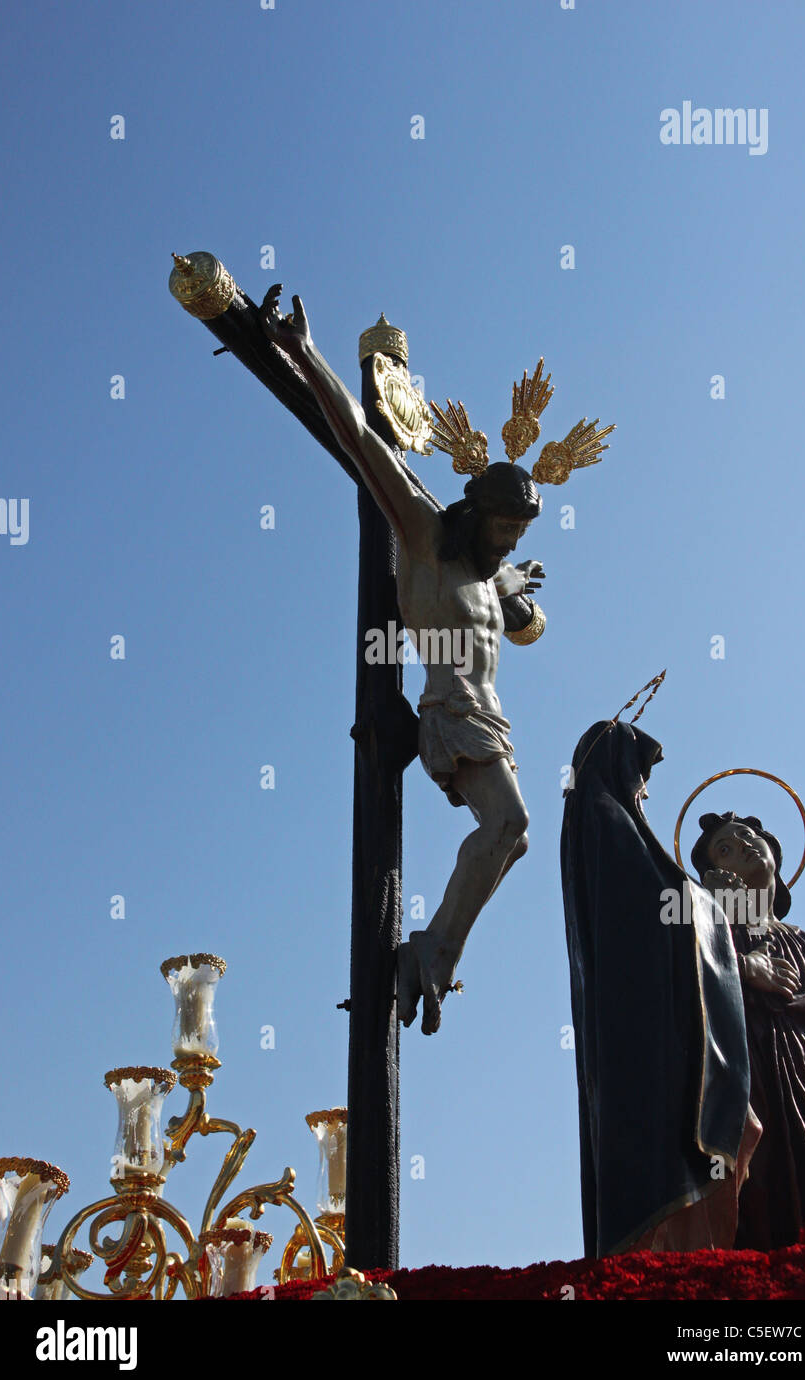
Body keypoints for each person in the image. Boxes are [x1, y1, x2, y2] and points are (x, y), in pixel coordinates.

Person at [261, 289, 544, 1034]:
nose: (508, 542)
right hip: (448, 713)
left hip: (491, 716)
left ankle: (433, 948)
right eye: (503, 528)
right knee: (511, 822)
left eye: (518, 533)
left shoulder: (489, 575)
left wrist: (520, 596)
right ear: (476, 512)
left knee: (513, 839)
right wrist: (302, 353)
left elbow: (521, 616)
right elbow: (360, 439)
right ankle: (432, 952)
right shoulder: (424, 534)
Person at [560, 721, 754, 1257]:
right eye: (641, 774)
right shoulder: (603, 818)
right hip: (654, 1041)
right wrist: (708, 900)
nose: (644, 790)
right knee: (678, 1169)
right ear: (619, 765)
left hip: (661, 1022)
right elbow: (654, 910)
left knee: (741, 1134)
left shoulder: (603, 821)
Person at [692, 812, 805, 1248]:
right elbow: (682, 981)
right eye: (724, 848)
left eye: (747, 835)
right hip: (747, 1072)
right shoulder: (705, 926)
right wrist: (742, 965)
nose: (743, 844)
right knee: (756, 1196)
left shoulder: (804, 944)